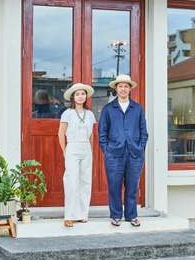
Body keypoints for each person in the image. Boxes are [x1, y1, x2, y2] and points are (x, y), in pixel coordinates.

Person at [98, 74, 148, 227]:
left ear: (130, 89)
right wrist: (107, 150)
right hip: (114, 155)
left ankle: (132, 216)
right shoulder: (108, 109)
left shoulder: (137, 108)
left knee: (132, 186)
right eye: (120, 86)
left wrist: (140, 148)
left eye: (126, 86)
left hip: (135, 154)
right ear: (116, 89)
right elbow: (102, 133)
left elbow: (144, 132)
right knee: (114, 186)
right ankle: (116, 215)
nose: (123, 89)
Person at [58, 83, 96, 228]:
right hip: (72, 146)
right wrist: (64, 150)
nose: (81, 96)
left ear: (86, 96)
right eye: (78, 94)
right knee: (71, 180)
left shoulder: (90, 114)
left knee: (85, 181)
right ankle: (69, 216)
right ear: (73, 97)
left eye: (83, 94)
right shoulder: (67, 113)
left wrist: (90, 151)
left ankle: (82, 214)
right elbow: (61, 133)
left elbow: (91, 135)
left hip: (86, 148)